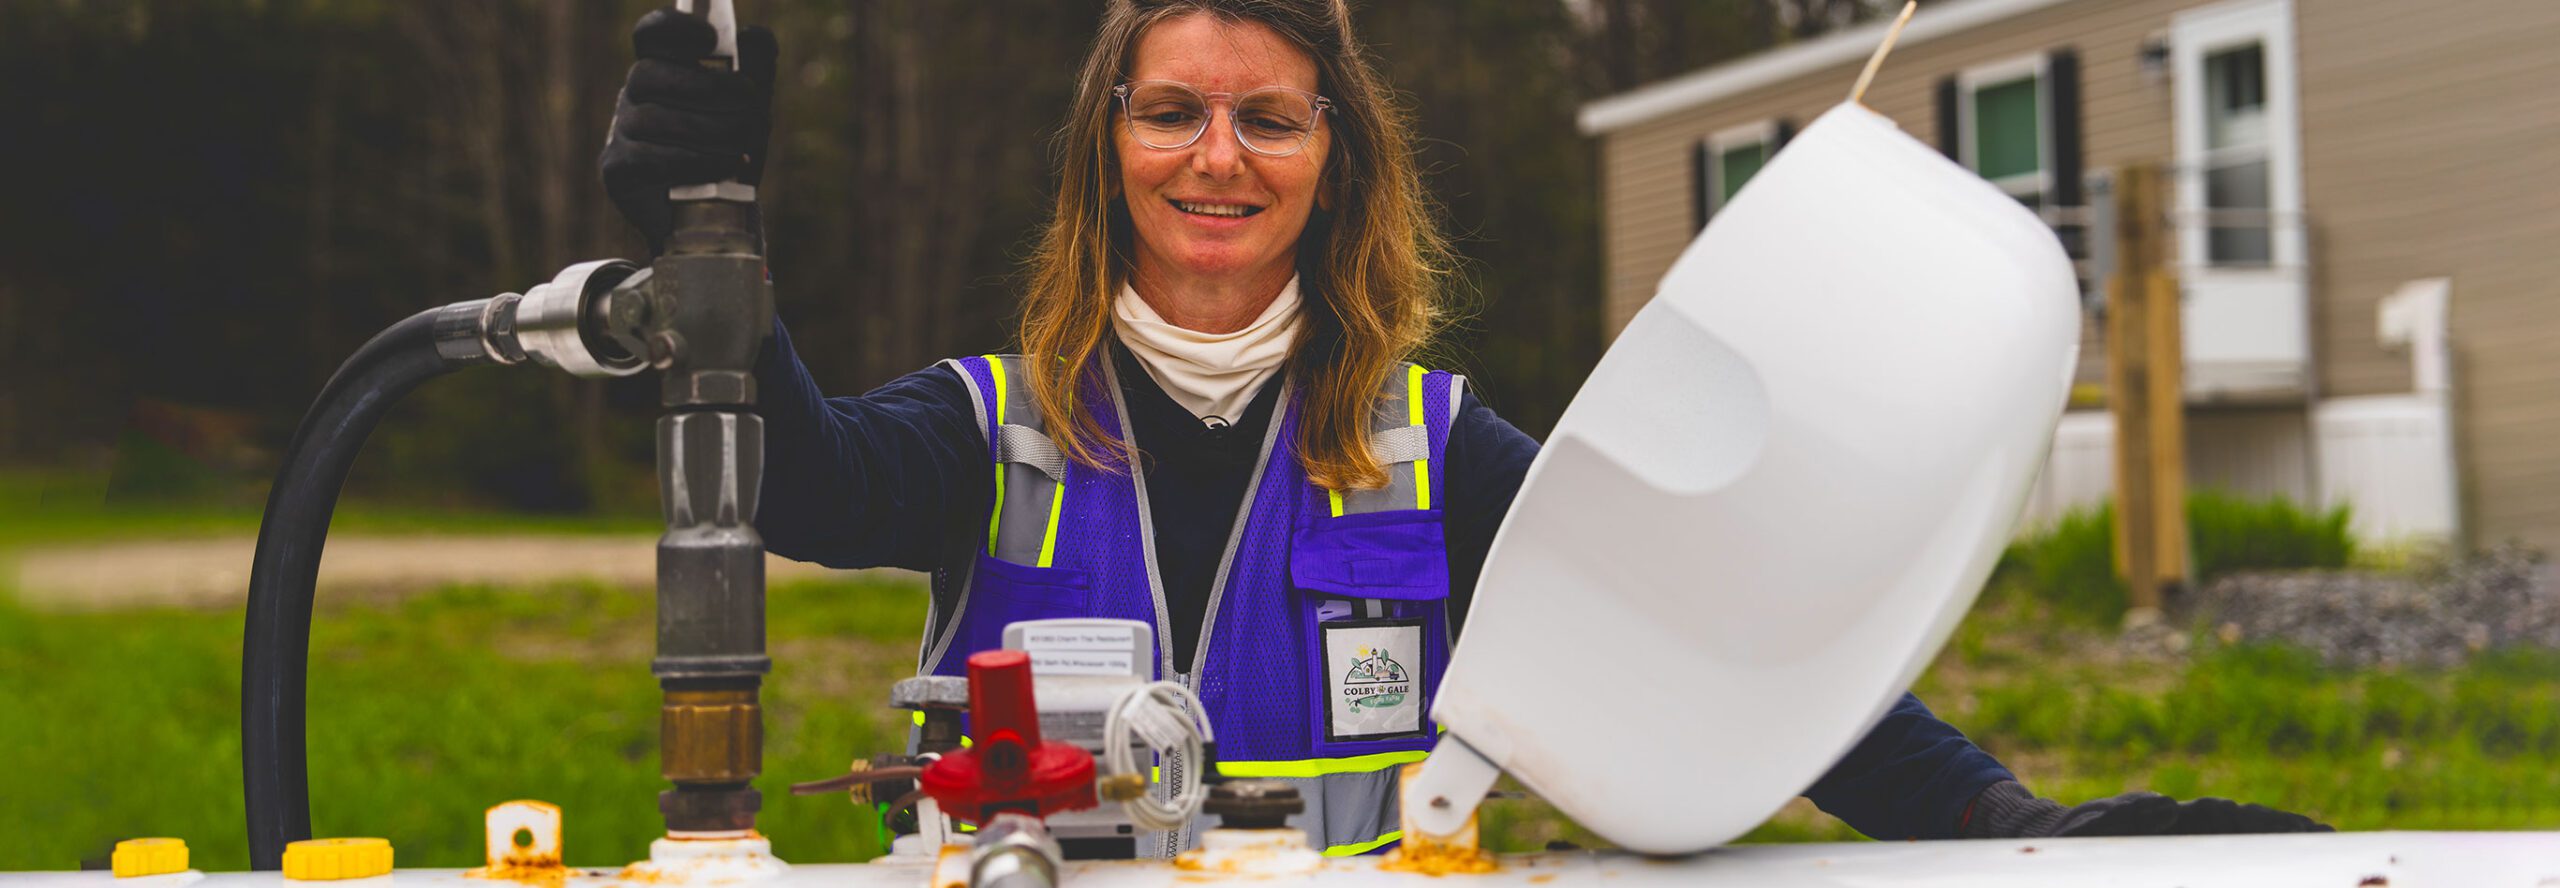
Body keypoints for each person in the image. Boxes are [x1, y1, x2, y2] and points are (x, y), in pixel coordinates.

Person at [598, 0, 2327, 857]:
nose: (1220, 157)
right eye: (1176, 112)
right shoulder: (985, 430)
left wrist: (2024, 843)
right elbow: (791, 480)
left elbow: (1708, 633)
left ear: (1333, 158)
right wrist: (701, 234)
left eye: (1270, 119)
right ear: (1104, 147)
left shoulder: (1438, 449)